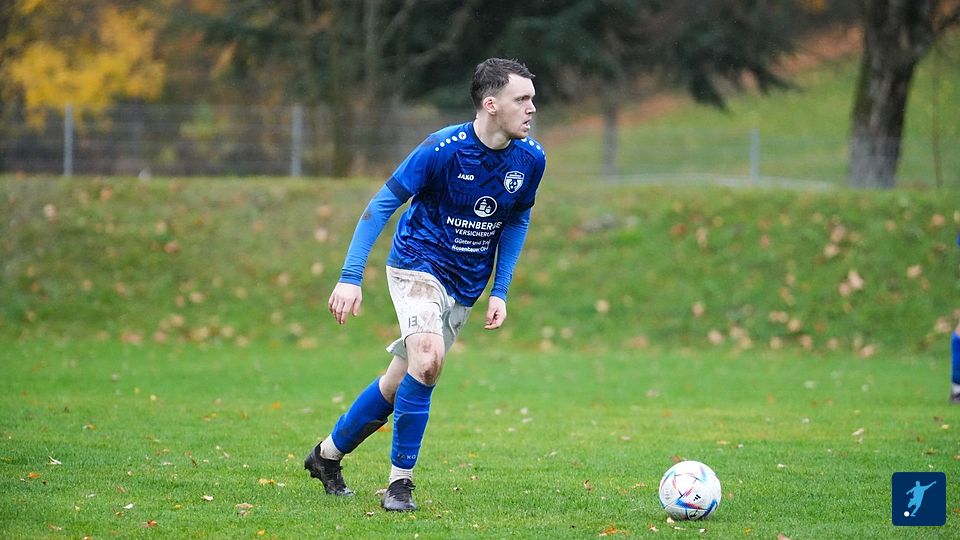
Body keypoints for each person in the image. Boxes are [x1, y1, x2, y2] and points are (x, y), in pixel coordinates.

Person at [304, 58, 546, 512]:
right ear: (491, 104)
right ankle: (400, 485)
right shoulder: (441, 149)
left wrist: (500, 289)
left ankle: (326, 456)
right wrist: (350, 277)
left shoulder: (531, 159)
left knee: (401, 381)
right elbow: (380, 206)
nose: (532, 108)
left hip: (466, 282)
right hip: (416, 264)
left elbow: (516, 220)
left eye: (532, 99)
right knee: (429, 360)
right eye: (522, 99)